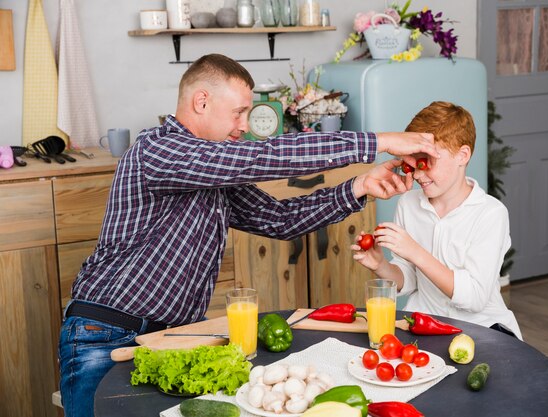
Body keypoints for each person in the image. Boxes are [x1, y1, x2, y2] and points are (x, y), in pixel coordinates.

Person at [57, 53, 440, 417]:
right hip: (106, 334)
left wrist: (359, 186)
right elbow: (263, 157)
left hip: (172, 339)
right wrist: (380, 142)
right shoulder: (157, 150)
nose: (244, 125)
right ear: (201, 101)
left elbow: (280, 218)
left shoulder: (214, 172)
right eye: (238, 112)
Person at [352, 101, 522, 340]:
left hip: (482, 327)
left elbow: (474, 298)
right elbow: (408, 281)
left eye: (426, 162)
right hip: (423, 322)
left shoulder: (491, 213)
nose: (418, 174)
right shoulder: (408, 204)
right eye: (412, 165)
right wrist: (381, 265)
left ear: (462, 155)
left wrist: (415, 251)